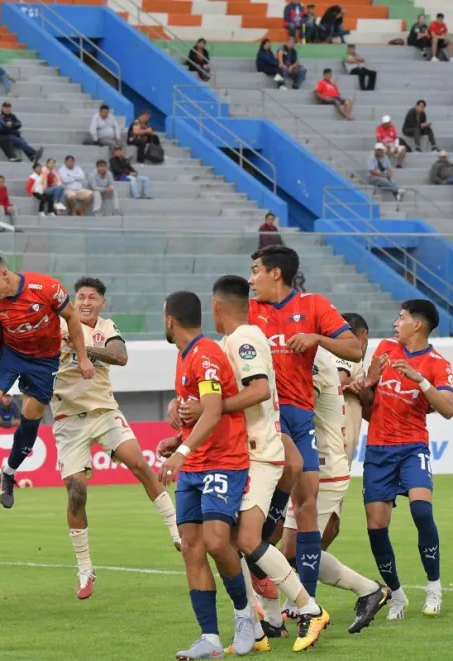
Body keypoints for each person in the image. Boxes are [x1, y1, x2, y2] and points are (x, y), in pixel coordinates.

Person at [178, 276, 329, 653]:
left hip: (259, 452)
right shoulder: (234, 340)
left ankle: (309, 608)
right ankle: (256, 630)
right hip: (247, 450)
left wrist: (206, 408)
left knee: (245, 539)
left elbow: (259, 390)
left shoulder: (243, 338)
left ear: (216, 306)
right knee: (225, 543)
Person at [246, 245, 363, 627]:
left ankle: (305, 607)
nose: (252, 279)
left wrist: (316, 338)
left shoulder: (313, 306)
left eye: (256, 271)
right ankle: (267, 610)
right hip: (266, 418)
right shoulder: (250, 313)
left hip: (299, 417)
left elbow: (354, 349)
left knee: (307, 504)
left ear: (275, 274)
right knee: (258, 524)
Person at [0, 247, 95, 507]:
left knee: (30, 420)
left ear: (3, 274)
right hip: (9, 355)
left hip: (44, 361)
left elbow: (72, 318)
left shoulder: (45, 287)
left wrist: (83, 357)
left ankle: (8, 473)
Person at [58, 277, 180, 600]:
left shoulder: (106, 328)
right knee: (76, 492)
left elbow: (121, 355)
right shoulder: (58, 325)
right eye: (81, 296)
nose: (85, 302)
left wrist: (82, 348)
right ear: (74, 299)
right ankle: (85, 567)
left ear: (102, 303)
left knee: (139, 463)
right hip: (67, 420)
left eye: (92, 298)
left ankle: (176, 528)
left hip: (104, 411)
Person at [156, 290, 254, 660]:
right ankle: (210, 640)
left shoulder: (206, 354)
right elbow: (197, 414)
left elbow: (212, 412)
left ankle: (246, 616)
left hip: (223, 461)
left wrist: (182, 451)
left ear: (170, 319)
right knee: (192, 549)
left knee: (216, 542)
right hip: (196, 464)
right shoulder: (185, 356)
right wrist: (177, 438)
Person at [272, 347, 391, 635]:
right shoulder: (302, 360)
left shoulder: (317, 361)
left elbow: (302, 408)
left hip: (324, 465)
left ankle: (366, 590)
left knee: (291, 548)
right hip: (308, 463)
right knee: (288, 549)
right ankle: (285, 611)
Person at [349, 299, 453, 619]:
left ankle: (433, 587)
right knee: (376, 528)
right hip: (379, 450)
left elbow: (448, 410)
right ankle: (396, 595)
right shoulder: (384, 349)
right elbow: (367, 407)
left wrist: (419, 379)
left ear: (417, 325)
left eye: (402, 317)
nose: (396, 323)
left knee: (422, 511)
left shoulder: (436, 363)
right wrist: (366, 384)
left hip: (413, 447)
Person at [333, 312, 369, 467]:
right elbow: (339, 380)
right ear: (363, 335)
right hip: (337, 435)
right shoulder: (349, 355)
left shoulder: (327, 353)